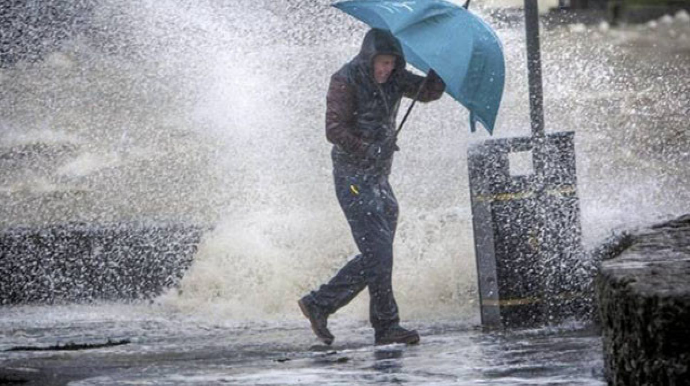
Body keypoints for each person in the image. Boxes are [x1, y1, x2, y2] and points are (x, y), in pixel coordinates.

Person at [298, 28, 445, 346]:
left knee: (379, 254)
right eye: (381, 63)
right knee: (379, 252)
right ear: (368, 59)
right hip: (352, 179)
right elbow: (333, 129)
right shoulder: (345, 79)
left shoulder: (396, 78)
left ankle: (320, 303)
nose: (386, 70)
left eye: (391, 63)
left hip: (379, 178)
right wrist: (367, 148)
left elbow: (427, 92)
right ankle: (385, 325)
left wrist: (440, 68)